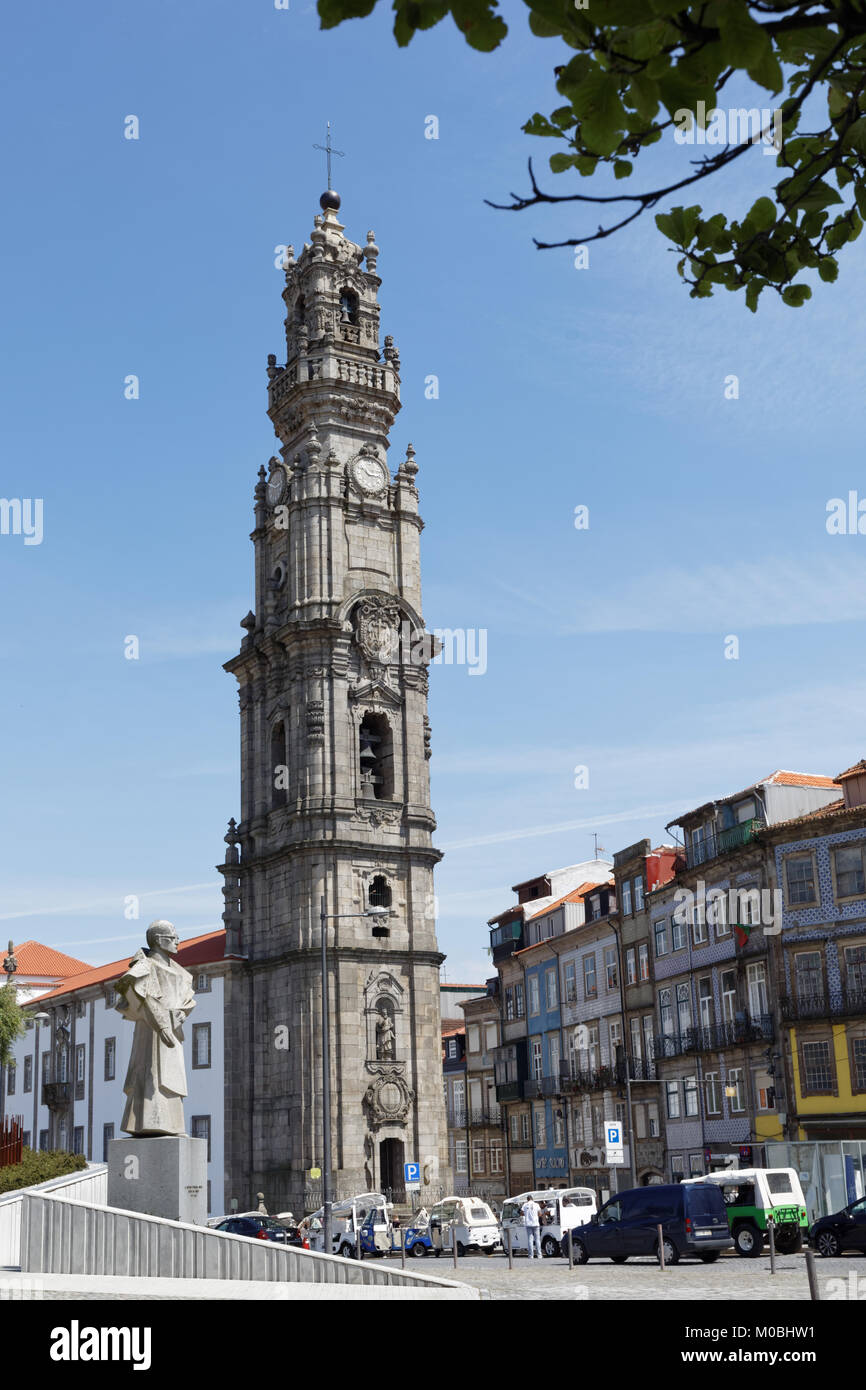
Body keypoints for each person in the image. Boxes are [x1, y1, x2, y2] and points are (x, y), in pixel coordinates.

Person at [521, 1195, 542, 1259]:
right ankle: (539, 1255)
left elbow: (521, 1213)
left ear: (527, 1199)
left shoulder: (525, 1205)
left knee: (530, 1240)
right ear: (532, 1199)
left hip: (528, 1224)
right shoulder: (536, 1204)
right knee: (537, 1240)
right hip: (536, 1224)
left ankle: (531, 1255)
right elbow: (540, 1214)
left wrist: (527, 1214)